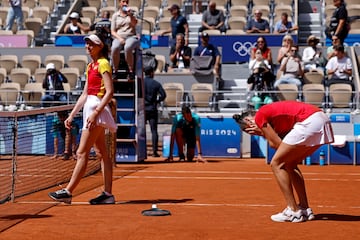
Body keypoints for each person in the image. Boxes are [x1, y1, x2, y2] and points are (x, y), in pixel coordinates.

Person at [233, 100, 334, 222]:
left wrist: (262, 132)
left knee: (276, 164)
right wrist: (265, 133)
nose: (252, 133)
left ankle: (293, 210)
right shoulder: (275, 120)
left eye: (248, 130)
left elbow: (276, 144)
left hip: (310, 121)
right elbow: (283, 146)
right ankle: (304, 208)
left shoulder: (260, 115)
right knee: (290, 164)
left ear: (249, 122)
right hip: (321, 119)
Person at [48, 34, 117, 205]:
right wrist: (72, 115)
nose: (88, 46)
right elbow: (85, 94)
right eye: (87, 44)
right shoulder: (90, 66)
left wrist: (96, 113)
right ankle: (108, 194)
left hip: (96, 109)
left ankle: (69, 191)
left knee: (81, 152)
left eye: (91, 44)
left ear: (100, 46)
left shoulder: (103, 63)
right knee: (102, 154)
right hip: (90, 108)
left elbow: (109, 92)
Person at [111, 0, 139, 79]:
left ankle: (130, 71)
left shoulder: (132, 13)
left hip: (131, 36)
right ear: (120, 3)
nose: (125, 4)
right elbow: (113, 31)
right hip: (119, 36)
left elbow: (134, 24)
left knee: (128, 47)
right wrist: (119, 39)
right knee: (114, 48)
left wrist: (130, 15)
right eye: (123, 2)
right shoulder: (115, 15)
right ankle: (115, 70)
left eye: (127, 2)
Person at [144, 66, 166, 157]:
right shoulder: (156, 84)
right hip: (152, 109)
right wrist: (157, 101)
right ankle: (154, 151)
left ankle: (141, 150)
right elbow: (163, 95)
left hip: (142, 109)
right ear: (152, 73)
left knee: (140, 130)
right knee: (154, 130)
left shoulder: (141, 82)